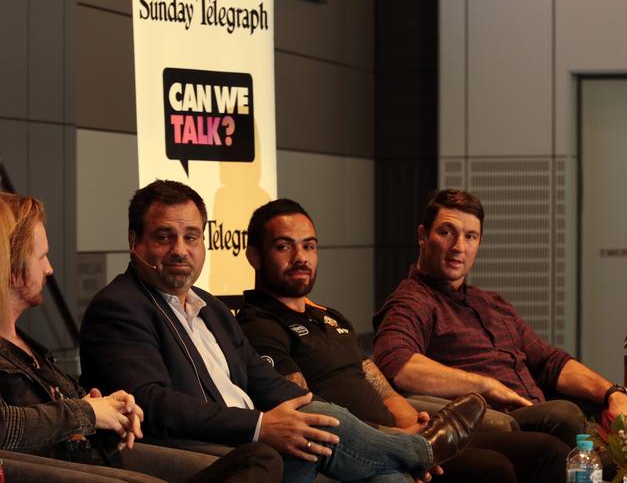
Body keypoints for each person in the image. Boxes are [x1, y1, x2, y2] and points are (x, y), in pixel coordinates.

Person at [80, 179, 487, 483]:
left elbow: (264, 378)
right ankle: (421, 448)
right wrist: (261, 426)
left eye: (191, 237)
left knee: (380, 471)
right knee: (321, 437)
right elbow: (152, 403)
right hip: (211, 449)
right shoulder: (119, 306)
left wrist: (309, 413)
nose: (180, 250)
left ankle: (408, 455)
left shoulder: (213, 309)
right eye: (164, 237)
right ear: (134, 241)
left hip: (254, 436)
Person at [237, 198, 571, 483]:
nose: (301, 257)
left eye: (309, 245)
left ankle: (423, 445)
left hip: (396, 432)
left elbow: (372, 375)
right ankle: (420, 451)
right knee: (494, 468)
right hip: (360, 447)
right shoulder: (259, 324)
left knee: (547, 450)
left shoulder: (330, 316)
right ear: (254, 257)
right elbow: (304, 407)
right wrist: (391, 436)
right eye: (284, 246)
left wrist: (411, 421)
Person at [0, 191, 284, 483]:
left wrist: (114, 405)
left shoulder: (30, 346)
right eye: (42, 256)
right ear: (10, 265)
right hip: (64, 467)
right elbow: (7, 424)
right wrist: (87, 411)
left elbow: (82, 404)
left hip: (95, 454)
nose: (50, 269)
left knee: (262, 458)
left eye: (192, 237)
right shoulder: (119, 305)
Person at [372, 188, 627, 448]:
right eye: (446, 232)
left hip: (539, 411)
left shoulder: (491, 303)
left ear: (480, 242)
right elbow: (396, 363)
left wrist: (612, 393)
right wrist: (485, 385)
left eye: (470, 236)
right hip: (498, 424)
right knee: (564, 415)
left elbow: (549, 361)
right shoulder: (412, 301)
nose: (458, 247)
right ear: (423, 236)